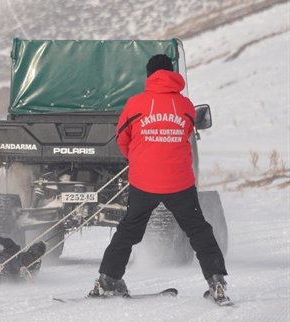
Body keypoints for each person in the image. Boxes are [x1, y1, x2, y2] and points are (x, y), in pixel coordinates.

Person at [88, 54, 229, 303]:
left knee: (129, 230)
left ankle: (108, 279)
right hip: (180, 183)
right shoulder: (185, 105)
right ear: (171, 73)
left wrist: (139, 158)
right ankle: (216, 281)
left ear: (149, 75)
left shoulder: (134, 104)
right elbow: (187, 133)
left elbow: (122, 138)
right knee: (198, 231)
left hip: (144, 182)